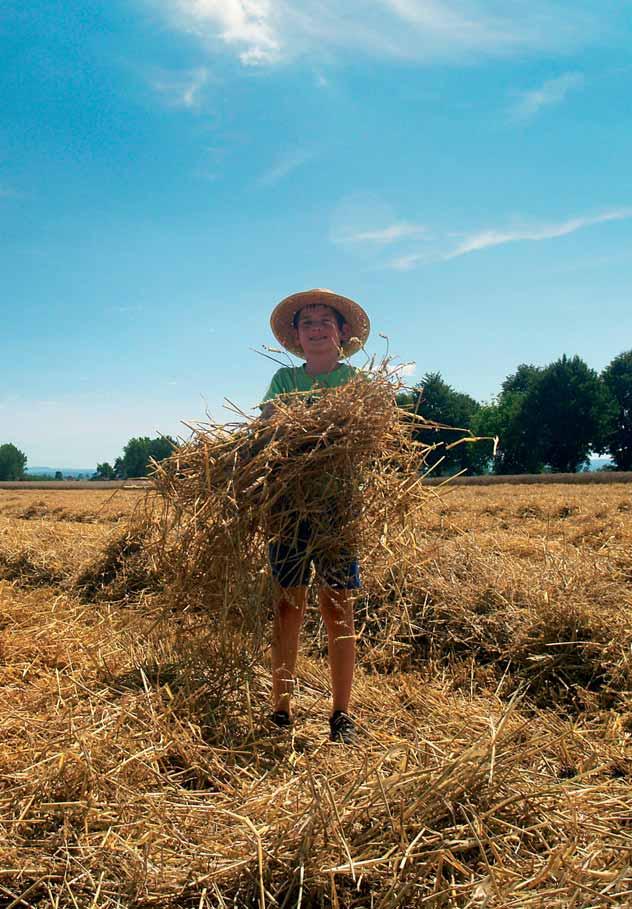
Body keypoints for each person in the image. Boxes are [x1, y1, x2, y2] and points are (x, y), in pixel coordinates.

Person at [260, 288, 371, 743]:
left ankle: (340, 714)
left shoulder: (359, 385)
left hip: (337, 509)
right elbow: (268, 429)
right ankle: (281, 710)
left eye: (326, 320)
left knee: (337, 608)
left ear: (342, 332)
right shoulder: (284, 383)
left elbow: (367, 440)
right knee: (287, 607)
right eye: (308, 322)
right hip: (288, 508)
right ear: (297, 335)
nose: (318, 328)